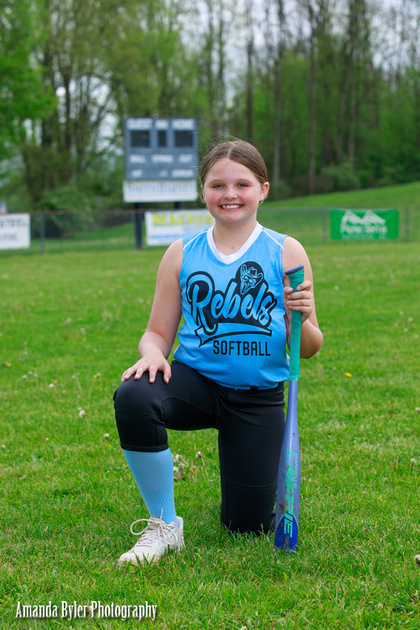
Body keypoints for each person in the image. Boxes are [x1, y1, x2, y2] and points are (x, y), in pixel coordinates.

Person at [113, 140, 323, 565]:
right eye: (217, 184)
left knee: (247, 526)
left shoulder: (287, 251)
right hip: (196, 384)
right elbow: (156, 332)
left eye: (242, 184)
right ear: (203, 191)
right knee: (134, 395)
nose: (230, 194)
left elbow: (310, 347)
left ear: (263, 189)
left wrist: (298, 320)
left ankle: (243, 498)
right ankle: (165, 525)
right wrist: (152, 353)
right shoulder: (182, 253)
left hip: (257, 398)